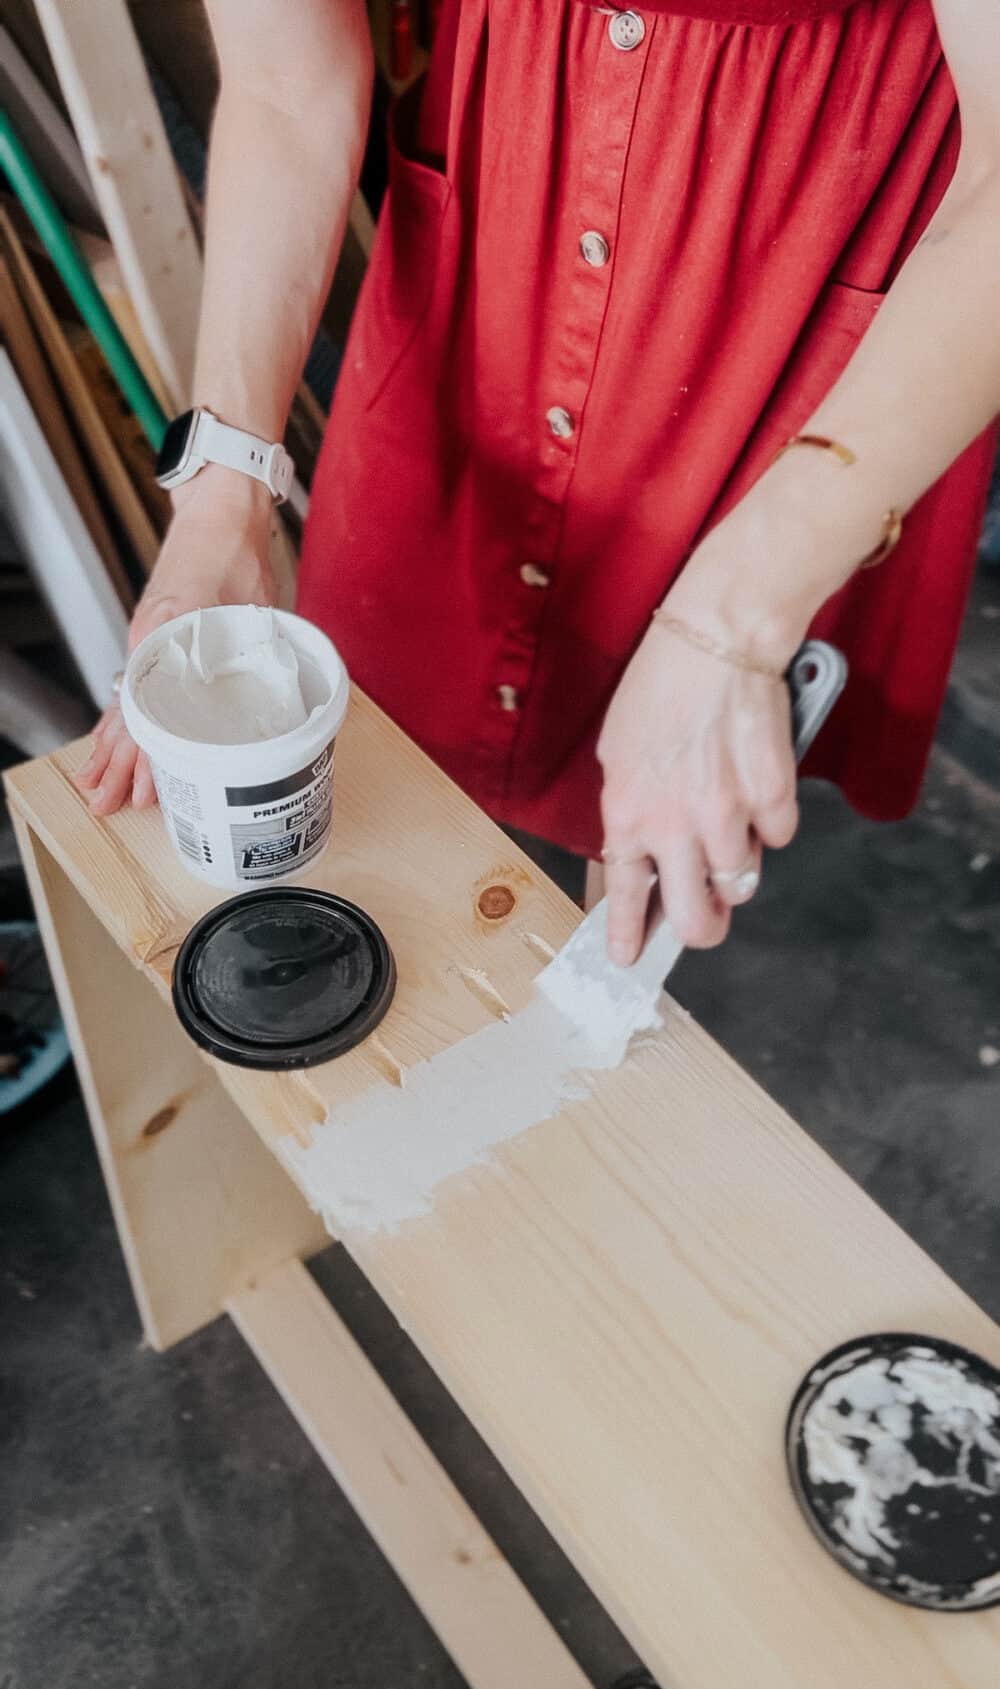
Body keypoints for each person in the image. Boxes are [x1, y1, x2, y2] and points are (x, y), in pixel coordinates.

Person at [78, 0, 1000, 965]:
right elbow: (281, 84)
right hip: (504, 229)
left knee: (661, 833)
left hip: (805, 249)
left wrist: (731, 623)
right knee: (392, 728)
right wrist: (223, 497)